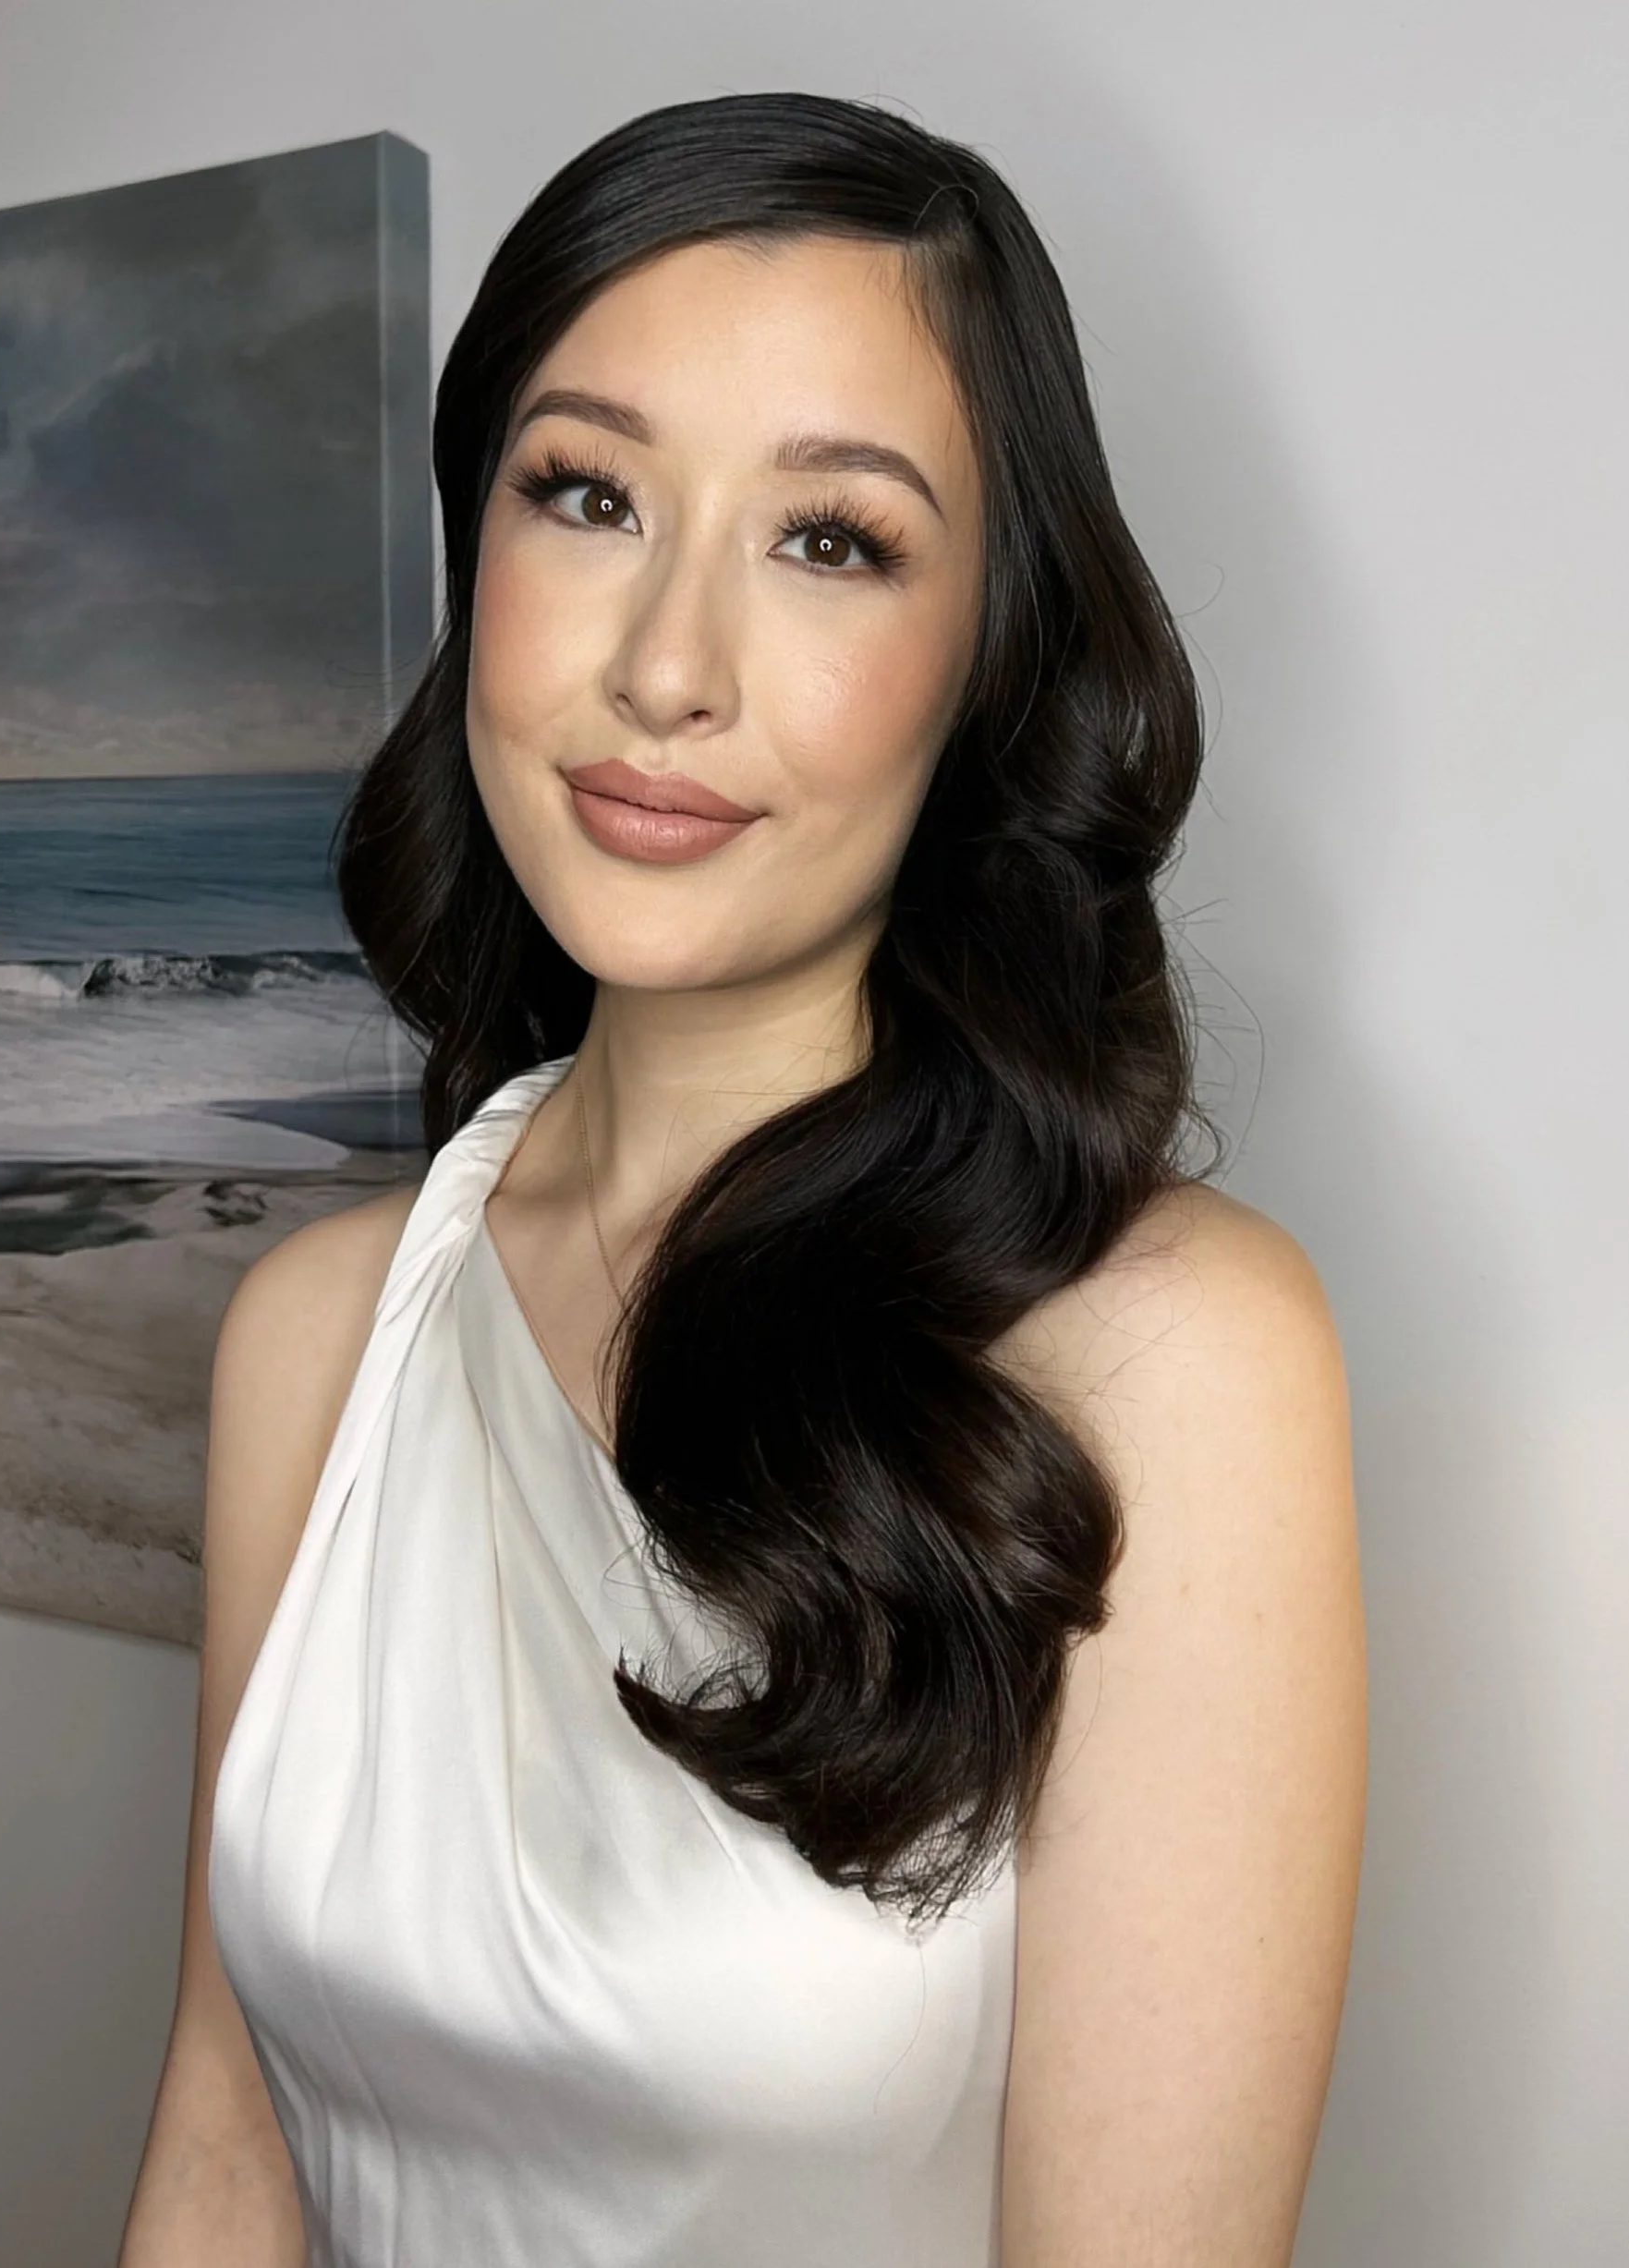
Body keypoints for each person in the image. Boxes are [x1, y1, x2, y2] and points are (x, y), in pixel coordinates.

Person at [120, 90, 1365, 2268]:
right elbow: (227, 2156)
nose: (663, 670)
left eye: (829, 540)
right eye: (588, 495)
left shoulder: (1167, 1359)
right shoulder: (315, 1336)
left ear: (986, 658)